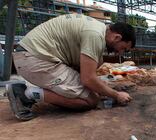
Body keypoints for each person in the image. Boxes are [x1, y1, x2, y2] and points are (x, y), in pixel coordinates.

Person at [7, 14, 135, 120]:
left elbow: (86, 73)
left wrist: (99, 88)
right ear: (117, 37)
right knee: (91, 100)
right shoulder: (95, 35)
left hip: (34, 55)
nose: (120, 53)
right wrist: (116, 95)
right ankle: (26, 94)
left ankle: (46, 90)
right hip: (34, 59)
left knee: (97, 69)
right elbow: (88, 79)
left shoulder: (97, 29)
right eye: (123, 48)